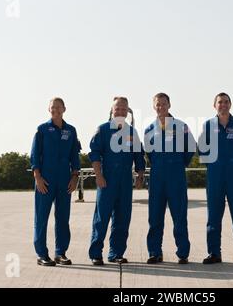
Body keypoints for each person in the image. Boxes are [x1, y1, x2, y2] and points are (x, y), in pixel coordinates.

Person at [198, 93, 233, 265]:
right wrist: (212, 165)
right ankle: (214, 253)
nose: (223, 105)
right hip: (215, 176)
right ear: (214, 105)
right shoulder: (208, 125)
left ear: (230, 104)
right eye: (219, 102)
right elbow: (201, 149)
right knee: (214, 214)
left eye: (226, 102)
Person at [89, 97, 146, 265]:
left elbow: (139, 156)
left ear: (127, 112)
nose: (120, 112)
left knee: (122, 219)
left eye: (123, 109)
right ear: (112, 111)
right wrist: (99, 176)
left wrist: (140, 175)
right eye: (117, 109)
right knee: (101, 218)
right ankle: (95, 253)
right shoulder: (103, 130)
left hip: (125, 181)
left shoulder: (131, 132)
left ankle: (116, 253)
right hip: (107, 180)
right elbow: (94, 154)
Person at [144, 93, 196, 264]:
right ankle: (154, 252)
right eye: (158, 104)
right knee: (155, 217)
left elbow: (190, 149)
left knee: (179, 216)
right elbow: (149, 154)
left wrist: (178, 164)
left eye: (164, 104)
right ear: (154, 106)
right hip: (157, 176)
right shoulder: (149, 129)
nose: (161, 107)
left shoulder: (182, 127)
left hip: (176, 176)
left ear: (169, 105)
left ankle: (182, 253)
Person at [30, 97, 81, 266]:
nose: (56, 110)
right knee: (41, 217)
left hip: (64, 180)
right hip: (45, 180)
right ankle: (42, 254)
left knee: (63, 217)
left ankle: (60, 253)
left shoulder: (71, 131)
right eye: (53, 107)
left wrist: (75, 177)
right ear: (48, 109)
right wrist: (37, 177)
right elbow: (35, 155)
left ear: (64, 109)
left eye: (59, 107)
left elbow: (75, 156)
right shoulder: (42, 129)